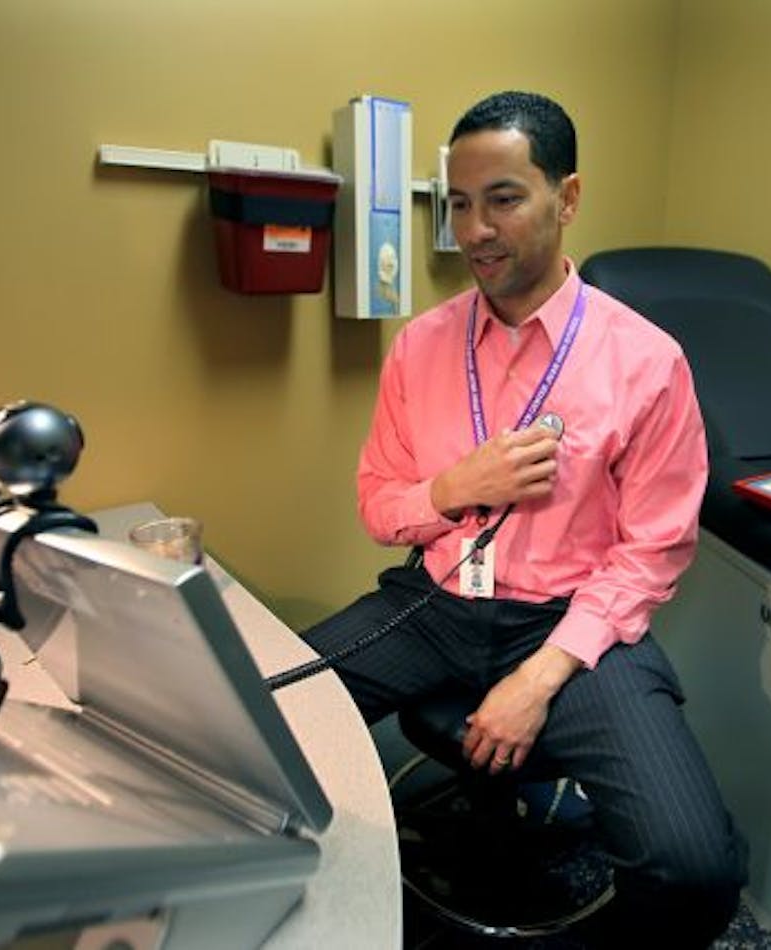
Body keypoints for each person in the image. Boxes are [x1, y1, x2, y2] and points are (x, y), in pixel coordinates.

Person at [304, 90, 746, 947]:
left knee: (695, 869)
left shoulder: (646, 362)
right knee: (255, 719)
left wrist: (538, 679)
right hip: (433, 604)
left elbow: (652, 553)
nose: (475, 230)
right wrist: (451, 487)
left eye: (503, 199)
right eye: (458, 204)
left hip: (571, 624)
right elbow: (378, 508)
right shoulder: (420, 348)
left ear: (567, 198)